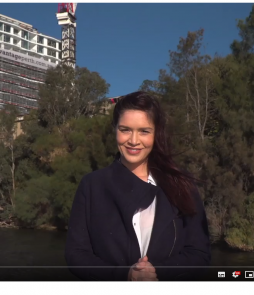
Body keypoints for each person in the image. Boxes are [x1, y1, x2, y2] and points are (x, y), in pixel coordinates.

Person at [65, 91, 211, 281]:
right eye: (125, 129)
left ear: (156, 133)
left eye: (144, 131)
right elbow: (76, 255)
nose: (133, 141)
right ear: (115, 129)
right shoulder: (92, 186)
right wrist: (124, 275)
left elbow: (199, 253)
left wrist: (157, 272)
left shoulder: (182, 185)